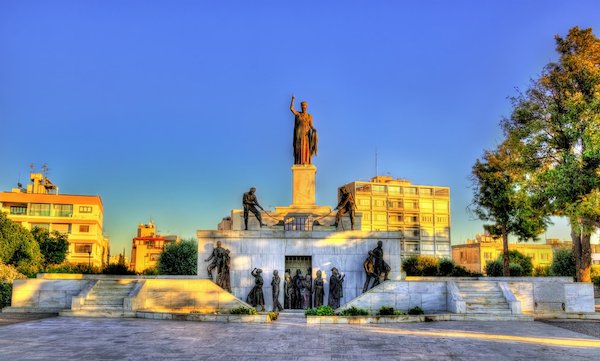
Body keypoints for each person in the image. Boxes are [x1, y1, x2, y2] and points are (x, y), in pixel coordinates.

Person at [290, 95, 317, 165]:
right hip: (299, 134)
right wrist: (293, 99)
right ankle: (299, 161)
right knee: (299, 147)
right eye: (302, 106)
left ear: (306, 107)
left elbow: (311, 125)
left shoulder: (309, 116)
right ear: (301, 107)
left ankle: (306, 161)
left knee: (306, 147)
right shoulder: (298, 114)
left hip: (306, 134)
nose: (303, 107)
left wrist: (314, 129)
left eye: (305, 106)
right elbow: (291, 109)